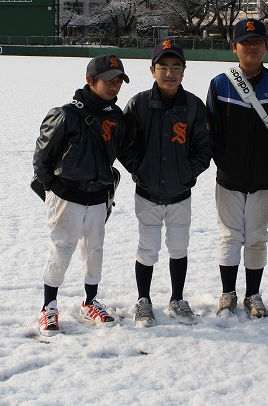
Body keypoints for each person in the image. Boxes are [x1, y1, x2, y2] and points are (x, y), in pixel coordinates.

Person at [32, 54, 130, 336]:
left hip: (98, 196)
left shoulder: (116, 116)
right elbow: (42, 158)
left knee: (95, 249)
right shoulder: (65, 114)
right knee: (62, 248)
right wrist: (54, 189)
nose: (114, 86)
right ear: (90, 80)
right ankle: (48, 306)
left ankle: (90, 301)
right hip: (67, 196)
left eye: (119, 81)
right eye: (108, 80)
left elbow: (122, 152)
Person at [205, 18, 268, 319]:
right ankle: (228, 294)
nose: (252, 47)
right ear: (234, 47)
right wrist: (224, 162)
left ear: (266, 47)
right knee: (229, 236)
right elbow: (213, 129)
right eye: (245, 42)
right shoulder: (220, 84)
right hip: (229, 176)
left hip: (263, 178)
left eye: (257, 42)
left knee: (257, 236)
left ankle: (253, 295)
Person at [122, 40, 214, 327]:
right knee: (147, 247)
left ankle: (177, 298)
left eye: (176, 67)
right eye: (163, 67)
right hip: (147, 192)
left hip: (180, 192)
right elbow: (125, 145)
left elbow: (204, 148)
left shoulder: (193, 106)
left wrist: (187, 173)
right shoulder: (138, 104)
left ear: (184, 70)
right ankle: (143, 300)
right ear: (152, 70)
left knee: (179, 246)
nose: (170, 73)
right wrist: (140, 170)